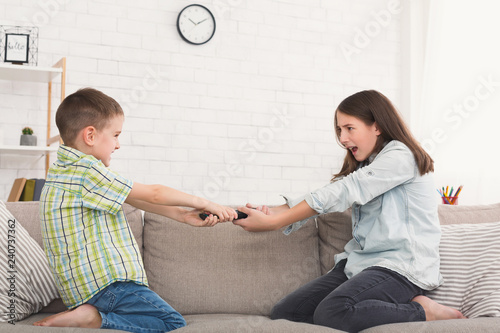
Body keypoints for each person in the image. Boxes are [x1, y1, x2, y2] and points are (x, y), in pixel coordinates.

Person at [233, 90, 466, 332]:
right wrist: (271, 212)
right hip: (360, 264)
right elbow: (329, 193)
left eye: (349, 128)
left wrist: (275, 223)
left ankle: (423, 311)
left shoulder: (401, 156)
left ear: (376, 126)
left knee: (332, 312)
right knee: (287, 312)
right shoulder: (368, 164)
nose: (342, 138)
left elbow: (345, 190)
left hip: (400, 267)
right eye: (339, 130)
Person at [34, 87, 237, 333]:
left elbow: (134, 199)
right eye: (116, 135)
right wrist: (206, 203)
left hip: (85, 291)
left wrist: (181, 214)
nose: (118, 145)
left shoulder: (64, 171)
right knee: (173, 323)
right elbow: (154, 193)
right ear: (90, 135)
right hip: (110, 286)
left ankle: (91, 315)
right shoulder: (87, 172)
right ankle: (93, 320)